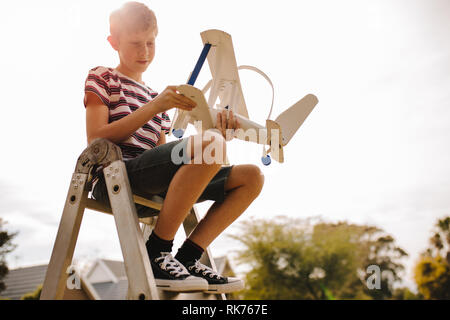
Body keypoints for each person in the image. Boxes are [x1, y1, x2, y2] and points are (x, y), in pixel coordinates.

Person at [83, 2, 264, 294]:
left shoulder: (158, 97)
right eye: (135, 44)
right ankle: (158, 250)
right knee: (210, 145)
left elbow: (165, 158)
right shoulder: (104, 77)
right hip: (115, 176)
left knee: (252, 177)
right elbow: (97, 140)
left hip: (151, 180)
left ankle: (189, 257)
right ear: (113, 42)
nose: (144, 52)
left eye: (151, 43)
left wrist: (217, 138)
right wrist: (156, 107)